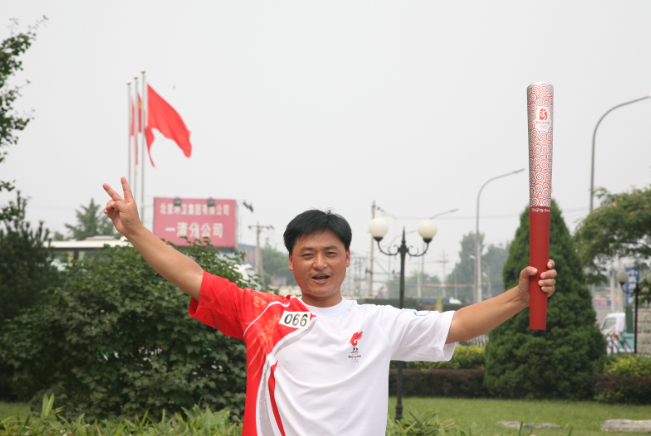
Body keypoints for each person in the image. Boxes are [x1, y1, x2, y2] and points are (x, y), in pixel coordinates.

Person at [103, 177, 557, 436]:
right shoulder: (262, 313)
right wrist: (137, 231)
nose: (319, 264)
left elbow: (455, 325)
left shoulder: (376, 322)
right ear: (292, 262)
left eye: (330, 253)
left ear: (347, 259)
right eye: (307, 254)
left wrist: (520, 296)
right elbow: (191, 275)